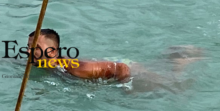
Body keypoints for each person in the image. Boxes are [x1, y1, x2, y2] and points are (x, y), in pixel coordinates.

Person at [26, 29, 203, 87]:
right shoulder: (40, 62)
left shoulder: (75, 67)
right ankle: (172, 55)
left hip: (125, 70)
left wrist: (125, 87)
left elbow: (120, 68)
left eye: (35, 48)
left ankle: (180, 61)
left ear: (52, 53)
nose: (29, 52)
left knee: (174, 85)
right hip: (114, 66)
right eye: (28, 47)